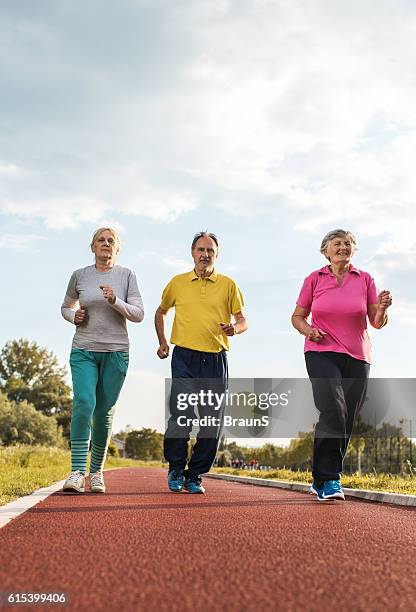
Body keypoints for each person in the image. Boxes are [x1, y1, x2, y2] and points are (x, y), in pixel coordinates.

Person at [291, 229, 392, 501]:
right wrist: (308, 330)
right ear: (326, 251)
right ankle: (331, 478)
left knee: (345, 417)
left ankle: (321, 478)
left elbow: (376, 322)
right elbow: (298, 317)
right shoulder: (314, 279)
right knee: (333, 407)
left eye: (348, 243)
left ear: (353, 250)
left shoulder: (365, 279)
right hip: (321, 351)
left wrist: (382, 308)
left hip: (358, 357)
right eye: (337, 244)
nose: (343, 247)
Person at [155, 231, 248, 494]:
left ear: (216, 255)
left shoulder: (229, 284)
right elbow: (161, 312)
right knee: (181, 415)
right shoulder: (178, 282)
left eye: (210, 251)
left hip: (215, 359)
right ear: (192, 252)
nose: (205, 255)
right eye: (201, 250)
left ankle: (194, 474)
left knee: (211, 421)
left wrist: (234, 329)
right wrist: (163, 341)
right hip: (184, 355)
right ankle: (175, 467)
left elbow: (243, 320)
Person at [61, 227, 144, 493]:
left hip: (116, 352)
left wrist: (115, 300)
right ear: (93, 246)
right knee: (84, 402)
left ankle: (96, 473)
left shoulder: (126, 275)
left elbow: (138, 314)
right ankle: (76, 471)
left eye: (111, 241)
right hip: (84, 349)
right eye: (101, 240)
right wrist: (73, 317)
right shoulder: (80, 275)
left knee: (103, 413)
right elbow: (66, 306)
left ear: (117, 248)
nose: (106, 244)